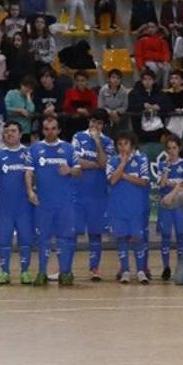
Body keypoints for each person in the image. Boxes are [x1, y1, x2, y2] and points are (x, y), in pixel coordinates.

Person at [26, 116, 81, 286]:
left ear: (59, 130)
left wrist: (70, 170)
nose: (50, 132)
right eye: (46, 129)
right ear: (43, 130)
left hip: (65, 203)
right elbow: (28, 172)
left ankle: (65, 272)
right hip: (44, 203)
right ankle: (42, 272)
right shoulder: (34, 149)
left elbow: (79, 171)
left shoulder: (69, 149)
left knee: (65, 238)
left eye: (53, 128)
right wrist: (29, 191)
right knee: (43, 239)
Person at [71, 109, 114, 281]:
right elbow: (75, 161)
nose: (95, 125)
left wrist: (97, 142)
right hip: (78, 192)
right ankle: (66, 268)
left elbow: (106, 165)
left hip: (98, 193)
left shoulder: (108, 142)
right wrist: (95, 164)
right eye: (93, 121)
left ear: (103, 125)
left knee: (95, 233)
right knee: (71, 232)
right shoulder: (78, 137)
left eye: (99, 123)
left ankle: (94, 269)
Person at [0, 121, 35, 284]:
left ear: (20, 134)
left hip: (24, 206)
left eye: (13, 131)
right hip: (5, 206)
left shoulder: (29, 154)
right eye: (7, 131)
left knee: (25, 239)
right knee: (4, 240)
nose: (9, 134)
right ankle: (4, 272)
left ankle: (25, 272)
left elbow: (34, 178)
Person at [106, 131, 152, 283]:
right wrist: (123, 163)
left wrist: (124, 176)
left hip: (136, 206)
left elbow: (144, 181)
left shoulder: (141, 159)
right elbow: (112, 180)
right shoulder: (112, 161)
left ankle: (140, 271)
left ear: (132, 144)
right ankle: (125, 270)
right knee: (122, 238)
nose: (122, 147)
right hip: (118, 206)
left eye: (125, 143)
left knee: (138, 238)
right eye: (119, 144)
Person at [156, 137, 183, 281]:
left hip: (180, 206)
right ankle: (166, 268)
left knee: (181, 236)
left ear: (179, 148)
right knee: (165, 236)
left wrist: (172, 184)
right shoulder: (162, 165)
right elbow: (161, 184)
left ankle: (181, 268)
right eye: (169, 148)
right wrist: (168, 171)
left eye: (174, 148)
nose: (172, 151)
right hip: (165, 206)